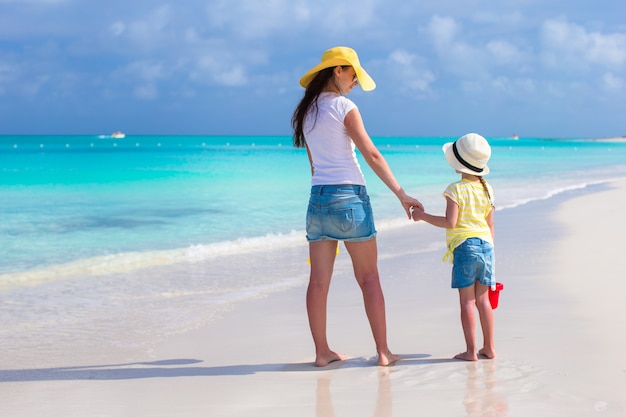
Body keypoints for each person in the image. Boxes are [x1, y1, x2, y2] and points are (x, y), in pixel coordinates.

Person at [291, 46, 423, 367]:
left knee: (318, 282)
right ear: (338, 70)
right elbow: (371, 154)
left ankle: (322, 353)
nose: (355, 84)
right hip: (350, 199)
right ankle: (383, 352)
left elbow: (314, 166)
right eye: (353, 76)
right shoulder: (344, 107)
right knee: (368, 278)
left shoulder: (306, 113)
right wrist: (401, 193)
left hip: (318, 200)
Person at [411, 133, 496, 361]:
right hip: (487, 246)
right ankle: (489, 347)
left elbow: (450, 222)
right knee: (483, 300)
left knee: (467, 300)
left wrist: (422, 216)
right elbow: (490, 225)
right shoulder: (487, 189)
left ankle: (471, 351)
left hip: (465, 247)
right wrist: (490, 253)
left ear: (458, 163)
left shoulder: (454, 190)